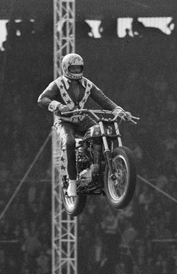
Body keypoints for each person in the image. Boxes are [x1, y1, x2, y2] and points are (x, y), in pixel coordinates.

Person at [37, 53, 135, 197]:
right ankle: (71, 181)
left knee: (102, 132)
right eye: (73, 69)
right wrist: (58, 105)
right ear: (65, 68)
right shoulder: (57, 84)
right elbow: (42, 99)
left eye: (79, 68)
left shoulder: (88, 84)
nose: (76, 72)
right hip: (64, 121)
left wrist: (118, 110)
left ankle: (98, 167)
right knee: (69, 141)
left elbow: (103, 99)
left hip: (82, 119)